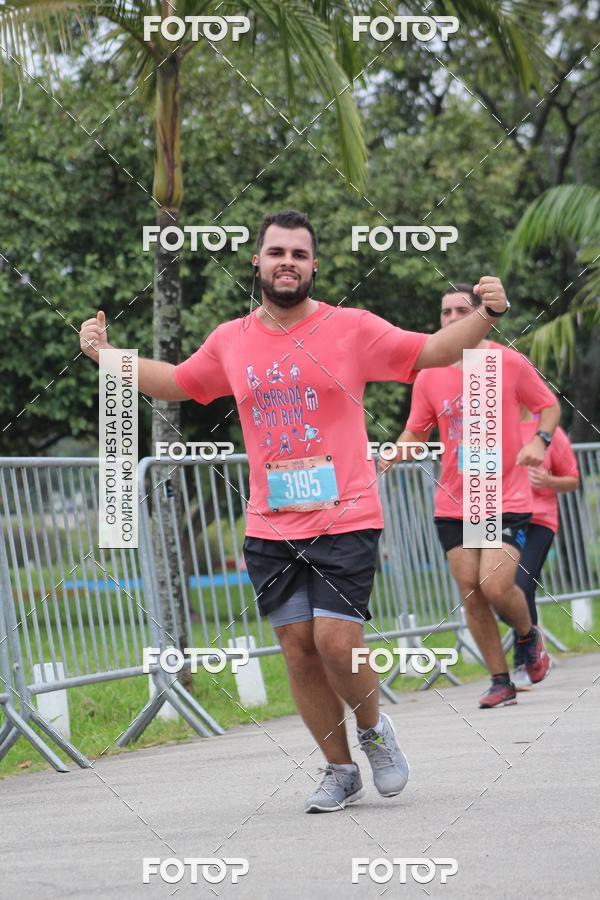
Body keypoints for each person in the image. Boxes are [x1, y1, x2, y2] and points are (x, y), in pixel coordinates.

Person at [81, 211, 512, 811]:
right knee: (297, 646)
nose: (288, 261)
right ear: (256, 262)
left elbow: (436, 348)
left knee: (337, 641)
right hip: (270, 522)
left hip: (347, 514)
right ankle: (339, 770)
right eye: (277, 251)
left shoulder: (352, 328)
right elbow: (177, 382)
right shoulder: (231, 339)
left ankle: (372, 732)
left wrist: (488, 315)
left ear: (314, 266)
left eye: (300, 254)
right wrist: (106, 358)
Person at [380, 283, 561, 709]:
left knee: (495, 586)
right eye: (445, 313)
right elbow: (416, 431)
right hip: (453, 501)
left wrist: (539, 441)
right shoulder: (429, 373)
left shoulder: (506, 362)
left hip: (502, 497)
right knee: (470, 591)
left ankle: (527, 635)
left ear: (481, 315)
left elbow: (548, 406)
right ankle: (500, 680)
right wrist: (395, 451)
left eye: (462, 310)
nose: (452, 319)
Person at [512, 406, 579, 689]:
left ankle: (525, 659)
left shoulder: (550, 432)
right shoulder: (491, 429)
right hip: (499, 518)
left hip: (539, 519)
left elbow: (573, 479)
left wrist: (549, 481)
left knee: (521, 584)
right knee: (491, 588)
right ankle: (530, 647)